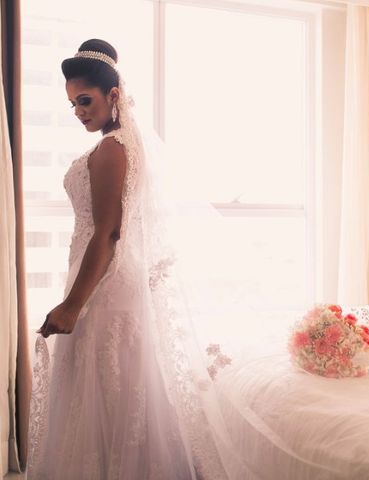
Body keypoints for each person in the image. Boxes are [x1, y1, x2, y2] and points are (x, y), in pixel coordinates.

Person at [27, 39, 234, 480]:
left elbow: (109, 231)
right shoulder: (125, 145)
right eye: (72, 104)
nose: (79, 110)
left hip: (103, 288)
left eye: (85, 100)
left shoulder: (112, 150)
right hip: (111, 282)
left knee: (107, 390)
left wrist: (72, 306)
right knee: (115, 393)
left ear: (113, 95)